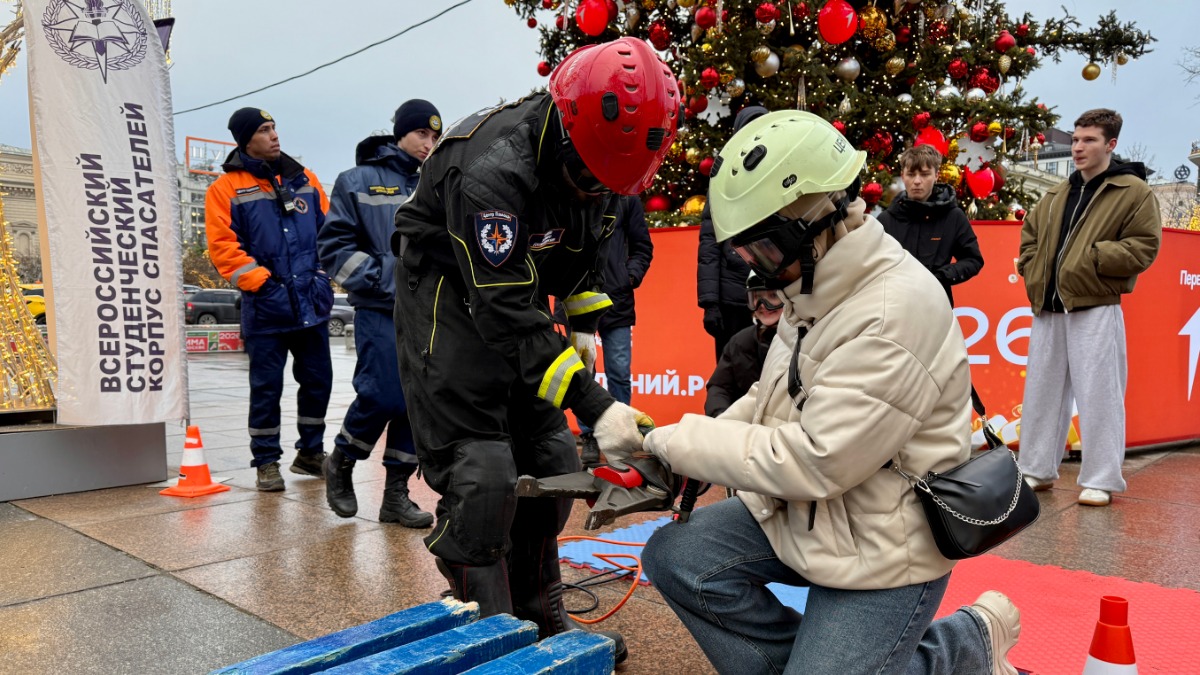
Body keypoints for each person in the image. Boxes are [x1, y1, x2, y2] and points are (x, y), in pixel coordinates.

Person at [637, 110, 1022, 674]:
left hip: (885, 542)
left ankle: (965, 643)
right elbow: (769, 400)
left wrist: (681, 443)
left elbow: (818, 459)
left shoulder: (892, 312)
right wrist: (675, 445)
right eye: (744, 255)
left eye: (763, 251)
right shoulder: (810, 282)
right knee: (677, 556)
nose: (757, 272)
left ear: (818, 222)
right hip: (816, 517)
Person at [391, 37, 679, 663]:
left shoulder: (611, 163)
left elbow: (583, 262)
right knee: (483, 472)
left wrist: (579, 329)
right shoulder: (491, 169)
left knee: (549, 453)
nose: (592, 192)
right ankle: (491, 631)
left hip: (516, 297)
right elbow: (503, 311)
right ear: (568, 132)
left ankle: (541, 611)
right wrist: (598, 406)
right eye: (585, 178)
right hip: (449, 298)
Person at [1016, 108, 1161, 508]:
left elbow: (1144, 246)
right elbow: (1029, 240)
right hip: (1047, 306)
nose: (1078, 147)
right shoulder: (1056, 193)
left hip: (1095, 305)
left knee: (1100, 395)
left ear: (1110, 144)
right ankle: (1036, 469)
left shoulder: (1133, 192)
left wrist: (1091, 260)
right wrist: (1032, 271)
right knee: (1041, 393)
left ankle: (1100, 479)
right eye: (1076, 140)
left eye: (1089, 140)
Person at [316, 99, 442, 527]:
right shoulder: (356, 180)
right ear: (400, 134)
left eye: (435, 136)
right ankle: (342, 461)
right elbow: (334, 249)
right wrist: (386, 278)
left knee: (416, 402)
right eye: (422, 134)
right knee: (385, 393)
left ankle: (396, 496)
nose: (430, 143)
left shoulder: (438, 180)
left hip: (429, 312)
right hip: (379, 308)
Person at [205, 107, 334, 492]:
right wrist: (264, 286)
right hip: (266, 308)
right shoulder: (224, 190)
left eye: (275, 127)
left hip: (310, 303)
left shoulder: (305, 180)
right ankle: (266, 461)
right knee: (267, 388)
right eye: (264, 130)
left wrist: (324, 278)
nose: (274, 135)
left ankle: (310, 453)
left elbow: (329, 233)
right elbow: (223, 248)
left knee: (319, 382)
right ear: (246, 140)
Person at [577, 194, 654, 465]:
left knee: (619, 372)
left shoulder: (627, 198)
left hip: (616, 300)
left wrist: (629, 276)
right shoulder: (574, 188)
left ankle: (622, 436)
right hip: (576, 297)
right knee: (582, 371)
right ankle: (589, 436)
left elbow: (643, 246)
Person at [696, 105, 769, 359]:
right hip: (732, 300)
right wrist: (710, 303)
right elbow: (709, 244)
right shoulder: (723, 177)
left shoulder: (779, 172)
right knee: (732, 374)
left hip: (773, 294)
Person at [878, 144, 984, 306]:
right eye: (911, 174)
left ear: (936, 176)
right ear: (902, 175)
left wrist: (941, 277)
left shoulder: (953, 216)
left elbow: (973, 259)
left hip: (937, 305)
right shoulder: (886, 219)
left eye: (925, 174)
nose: (917, 181)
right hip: (894, 306)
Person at [703, 272, 782, 418]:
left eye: (773, 296)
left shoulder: (802, 339)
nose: (763, 305)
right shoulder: (740, 342)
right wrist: (720, 416)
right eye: (757, 297)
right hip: (745, 427)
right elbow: (720, 387)